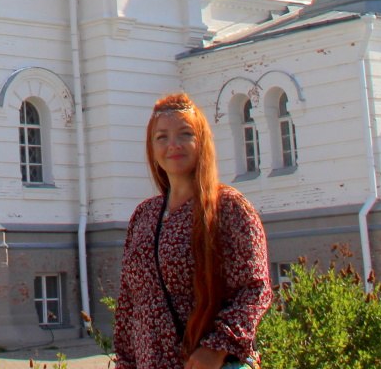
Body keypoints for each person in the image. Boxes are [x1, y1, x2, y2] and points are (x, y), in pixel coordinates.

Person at [112, 93, 272, 369]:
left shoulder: (229, 207)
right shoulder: (144, 216)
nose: (173, 145)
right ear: (151, 147)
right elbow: (129, 303)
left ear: (201, 141)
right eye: (161, 137)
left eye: (185, 134)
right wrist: (125, 362)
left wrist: (217, 348)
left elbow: (255, 289)